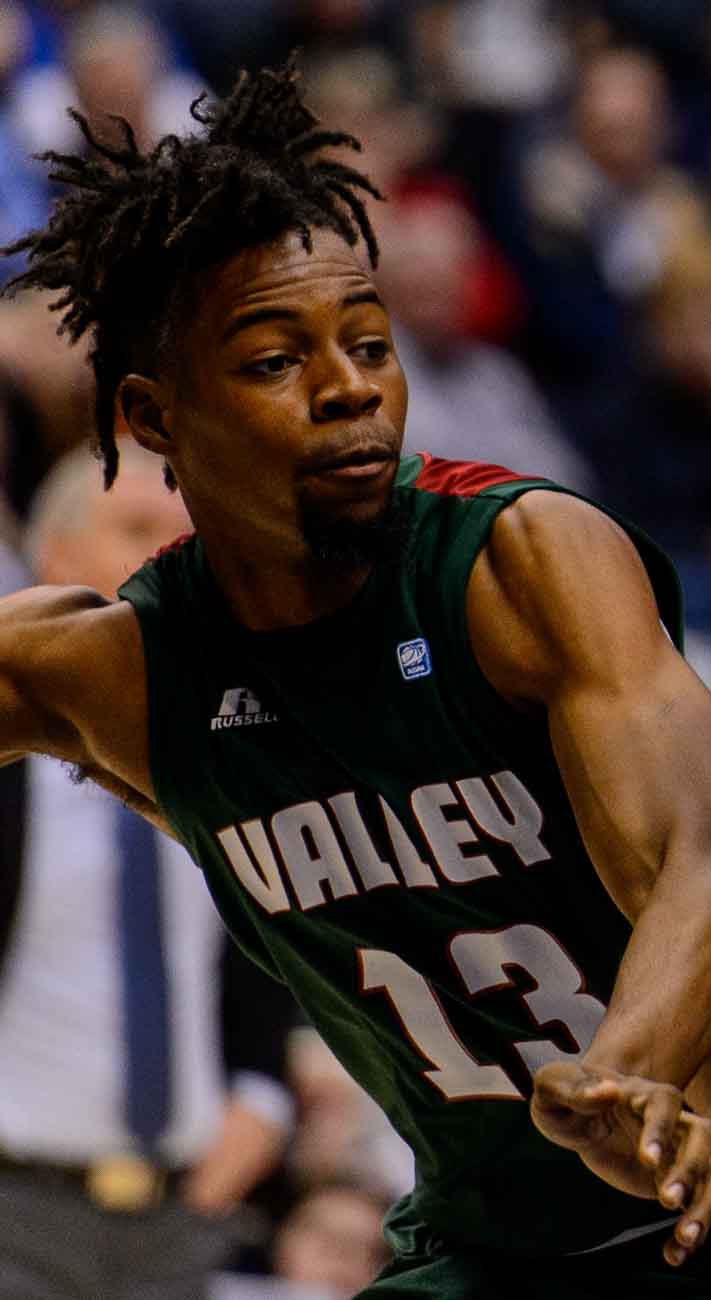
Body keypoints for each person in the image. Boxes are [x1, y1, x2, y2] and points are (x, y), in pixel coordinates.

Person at [0, 64, 711, 1295]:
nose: (351, 385)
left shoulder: (517, 562)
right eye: (272, 361)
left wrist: (627, 1068)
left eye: (367, 341)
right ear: (151, 417)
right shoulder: (115, 671)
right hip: (489, 1243)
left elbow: (703, 864)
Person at [0, 444, 299, 1300]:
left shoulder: (236, 755)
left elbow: (267, 961)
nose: (169, 557)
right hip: (15, 1203)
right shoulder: (7, 758)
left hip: (187, 1216)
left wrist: (264, 1097)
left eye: (186, 537)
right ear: (52, 562)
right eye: (136, 529)